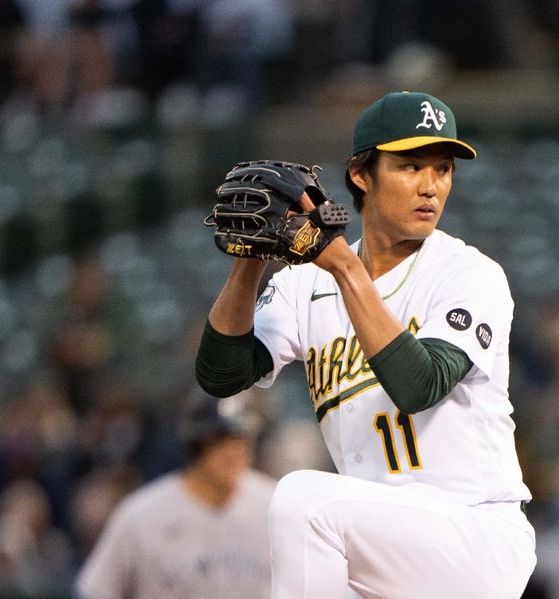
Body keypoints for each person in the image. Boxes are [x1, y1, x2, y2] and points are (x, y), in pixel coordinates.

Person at [196, 90, 536, 598]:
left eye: (443, 169)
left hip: (473, 534)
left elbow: (419, 385)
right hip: (380, 544)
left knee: (301, 499)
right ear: (361, 174)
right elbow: (221, 375)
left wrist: (342, 265)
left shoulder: (469, 274)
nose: (431, 187)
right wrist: (251, 259)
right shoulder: (302, 285)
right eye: (410, 166)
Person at [74, 392, 275, 599]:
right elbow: (95, 591)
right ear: (195, 446)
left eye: (241, 439)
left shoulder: (277, 508)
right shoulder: (141, 516)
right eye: (219, 441)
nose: (233, 452)